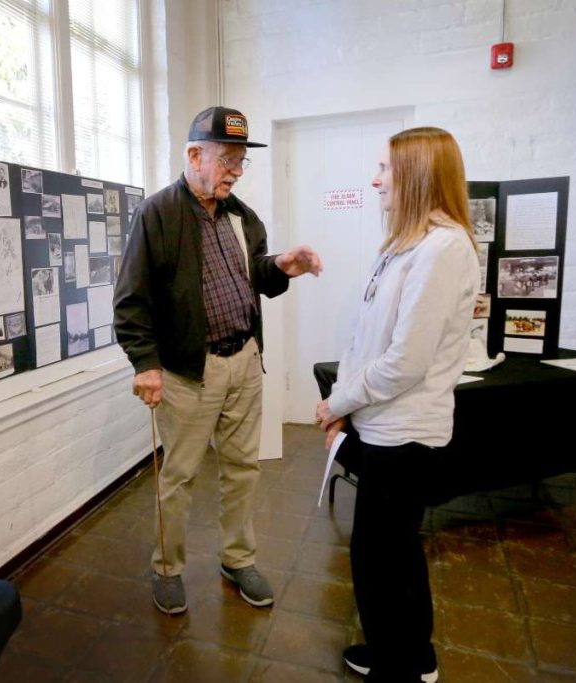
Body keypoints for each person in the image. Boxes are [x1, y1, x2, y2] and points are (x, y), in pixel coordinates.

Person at [114, 106, 322, 615]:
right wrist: (146, 363)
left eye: (240, 161)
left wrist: (282, 268)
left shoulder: (242, 216)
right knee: (180, 475)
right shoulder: (158, 214)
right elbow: (130, 300)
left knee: (243, 468)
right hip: (190, 373)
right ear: (194, 155)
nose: (234, 169)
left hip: (245, 362)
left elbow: (252, 276)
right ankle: (168, 568)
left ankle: (238, 558)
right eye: (226, 158)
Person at [314, 127, 479, 682]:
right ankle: (404, 652)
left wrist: (336, 399)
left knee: (382, 557)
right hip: (382, 425)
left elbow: (405, 363)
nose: (375, 179)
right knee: (387, 552)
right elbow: (369, 339)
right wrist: (346, 404)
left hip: (404, 435)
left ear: (418, 175)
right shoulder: (407, 246)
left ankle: (404, 665)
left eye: (385, 168)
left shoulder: (444, 249)